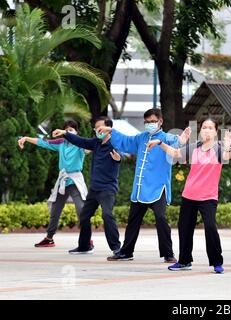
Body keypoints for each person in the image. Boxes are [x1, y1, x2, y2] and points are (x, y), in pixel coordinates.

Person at [102, 109, 191, 263]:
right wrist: (111, 131)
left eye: (152, 121)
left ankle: (168, 253)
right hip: (141, 188)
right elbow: (126, 141)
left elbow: (177, 143)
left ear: (160, 121)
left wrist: (182, 140)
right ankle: (126, 252)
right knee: (133, 221)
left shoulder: (166, 138)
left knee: (161, 218)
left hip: (158, 188)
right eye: (147, 122)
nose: (149, 124)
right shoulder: (141, 138)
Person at [147, 118, 231, 274]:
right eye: (204, 127)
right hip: (189, 195)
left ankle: (216, 262)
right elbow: (175, 153)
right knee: (185, 229)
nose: (207, 130)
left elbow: (227, 158)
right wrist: (160, 143)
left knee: (211, 227)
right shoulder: (195, 148)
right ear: (200, 130)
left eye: (210, 128)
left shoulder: (219, 149)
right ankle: (184, 261)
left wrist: (227, 146)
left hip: (208, 197)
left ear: (215, 131)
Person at [52, 117, 122, 255]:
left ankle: (117, 248)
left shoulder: (115, 143)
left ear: (109, 129)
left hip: (107, 189)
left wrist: (118, 158)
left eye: (100, 128)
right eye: (96, 128)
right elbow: (80, 141)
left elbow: (121, 155)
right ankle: (84, 246)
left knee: (107, 215)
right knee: (84, 216)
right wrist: (64, 133)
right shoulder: (95, 143)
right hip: (94, 189)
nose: (98, 130)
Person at [17, 120, 88, 248]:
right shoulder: (61, 143)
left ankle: (86, 240)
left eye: (72, 130)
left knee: (81, 210)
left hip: (75, 180)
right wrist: (26, 138)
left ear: (77, 132)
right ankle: (49, 238)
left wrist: (67, 133)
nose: (69, 131)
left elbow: (90, 148)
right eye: (67, 129)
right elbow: (43, 142)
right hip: (62, 181)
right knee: (55, 210)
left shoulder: (80, 143)